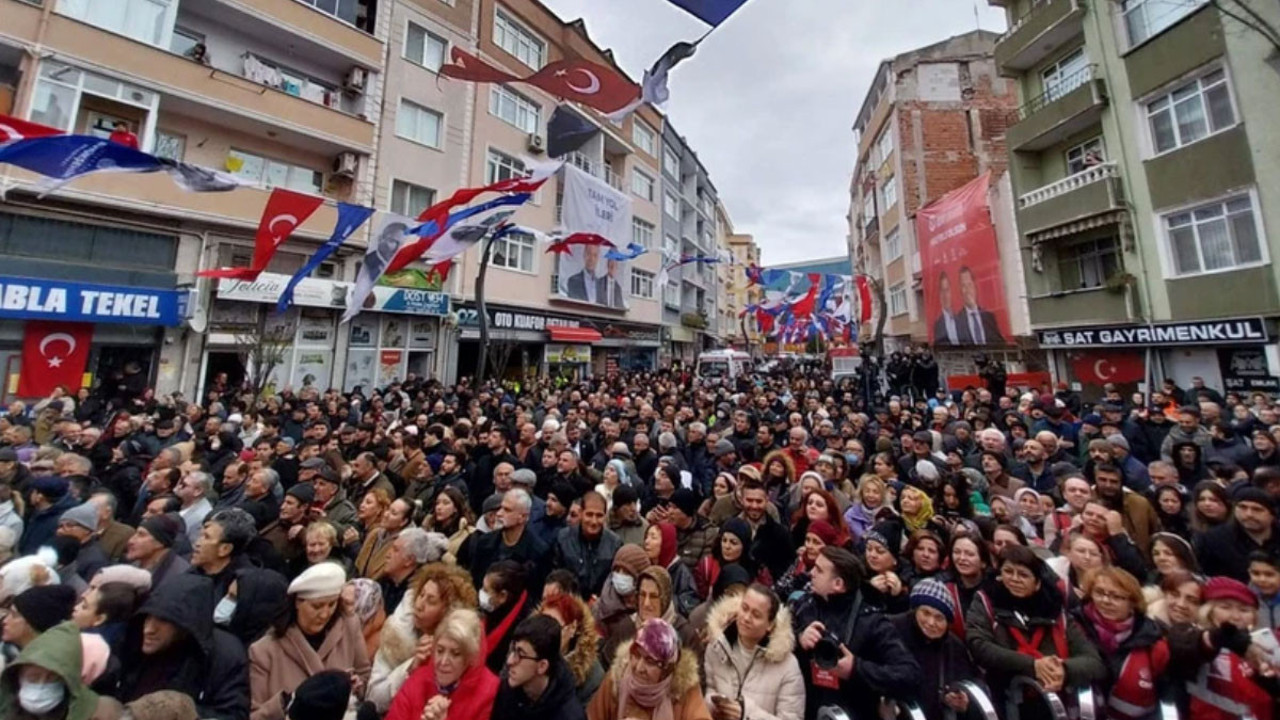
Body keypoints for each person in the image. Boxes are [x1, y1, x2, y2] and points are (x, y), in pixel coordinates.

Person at [966, 545, 1106, 717]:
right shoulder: (985, 602)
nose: (1015, 579)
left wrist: (1063, 669)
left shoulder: (1056, 611)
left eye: (1023, 574)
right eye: (1008, 572)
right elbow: (979, 646)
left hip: (1055, 702)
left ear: (1037, 583)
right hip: (1004, 700)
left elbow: (1093, 661)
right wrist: (1033, 665)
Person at [791, 546, 920, 719]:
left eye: (819, 570)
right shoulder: (805, 606)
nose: (811, 573)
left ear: (838, 584)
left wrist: (855, 668)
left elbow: (909, 674)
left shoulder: (872, 622)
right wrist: (799, 637)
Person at [115, 573, 250, 720]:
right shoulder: (133, 641)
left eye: (162, 620)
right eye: (148, 617)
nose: (148, 629)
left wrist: (178, 712)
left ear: (185, 625)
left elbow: (232, 714)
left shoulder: (224, 656)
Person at [247, 561, 370, 720]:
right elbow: (254, 715)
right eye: (317, 606)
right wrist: (287, 701)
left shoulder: (350, 626)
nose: (325, 614)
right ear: (298, 602)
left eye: (331, 604)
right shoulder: (264, 651)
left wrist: (356, 686)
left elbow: (365, 675)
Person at [367, 562, 476, 713]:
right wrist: (410, 667)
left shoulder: (460, 648)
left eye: (431, 601)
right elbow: (374, 698)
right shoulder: (396, 635)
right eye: (421, 595)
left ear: (447, 611)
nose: (419, 605)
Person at [1168, 576, 1278, 720]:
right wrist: (1219, 637)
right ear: (1208, 610)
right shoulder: (1191, 636)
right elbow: (1189, 649)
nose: (1235, 616)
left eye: (1244, 610)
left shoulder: (1263, 646)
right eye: (1225, 607)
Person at [1075, 567, 1171, 720]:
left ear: (1133, 602)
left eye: (1117, 597)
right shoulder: (1074, 627)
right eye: (1099, 593)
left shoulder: (1152, 641)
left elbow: (1167, 698)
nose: (1106, 601)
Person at [702, 583, 804, 720]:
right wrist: (713, 705)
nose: (746, 618)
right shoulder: (716, 647)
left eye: (756, 615)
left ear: (770, 625)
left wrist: (747, 714)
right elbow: (709, 689)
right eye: (744, 609)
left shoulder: (788, 666)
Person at [888, 579, 984, 720]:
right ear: (915, 611)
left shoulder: (954, 646)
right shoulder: (890, 630)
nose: (931, 623)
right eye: (926, 613)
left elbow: (971, 679)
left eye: (939, 618)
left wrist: (963, 699)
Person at [383, 608, 499, 720]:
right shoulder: (418, 680)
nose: (443, 662)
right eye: (440, 650)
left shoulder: (490, 694)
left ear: (471, 657)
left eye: (455, 654)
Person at [586, 617, 710, 720]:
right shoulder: (616, 680)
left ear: (666, 669)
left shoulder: (684, 690)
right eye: (637, 655)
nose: (639, 668)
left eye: (650, 662)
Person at [0, 620, 124, 720]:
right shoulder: (5, 706)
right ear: (17, 676)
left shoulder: (103, 713)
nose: (41, 686)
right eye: (33, 677)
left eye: (52, 677)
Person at [491, 614, 586, 720]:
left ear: (542, 666)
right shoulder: (506, 691)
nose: (510, 661)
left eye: (520, 654)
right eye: (513, 650)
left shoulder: (569, 715)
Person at [538, 591, 604, 705]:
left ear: (572, 628)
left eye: (554, 627)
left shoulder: (593, 676)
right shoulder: (523, 646)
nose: (545, 633)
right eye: (541, 623)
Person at [553, 491, 623, 598]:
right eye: (589, 514)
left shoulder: (615, 543)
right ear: (581, 513)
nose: (594, 521)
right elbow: (555, 578)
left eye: (599, 516)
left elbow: (615, 583)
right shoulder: (563, 539)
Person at [957, 265, 1004, 345]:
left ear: (975, 286)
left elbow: (1000, 344)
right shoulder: (957, 321)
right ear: (960, 290)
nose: (967, 290)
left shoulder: (989, 318)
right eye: (963, 286)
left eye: (969, 284)